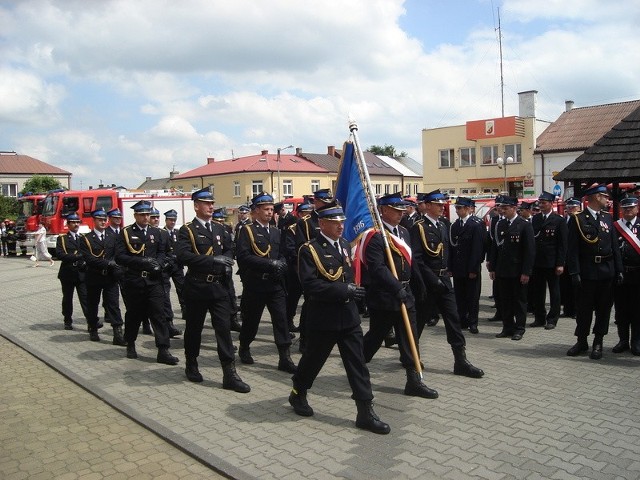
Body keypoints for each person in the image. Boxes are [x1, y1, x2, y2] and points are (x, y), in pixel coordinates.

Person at [288, 200, 389, 434]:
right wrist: (345, 291)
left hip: (348, 317)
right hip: (324, 318)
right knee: (313, 360)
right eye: (334, 223)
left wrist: (355, 293)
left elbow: (347, 275)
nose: (340, 226)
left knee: (358, 365)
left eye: (342, 222)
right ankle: (298, 392)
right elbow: (311, 286)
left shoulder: (344, 245)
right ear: (321, 223)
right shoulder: (309, 250)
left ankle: (365, 411)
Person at [361, 192, 438, 399]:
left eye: (402, 210)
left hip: (406, 294)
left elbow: (409, 263)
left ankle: (414, 381)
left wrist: (418, 283)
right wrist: (396, 288)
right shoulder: (375, 236)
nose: (400, 214)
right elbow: (377, 268)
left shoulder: (403, 232)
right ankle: (357, 368)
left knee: (410, 337)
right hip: (385, 297)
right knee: (375, 337)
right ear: (384, 211)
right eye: (396, 211)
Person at [175, 188, 250, 392]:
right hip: (197, 286)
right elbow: (182, 256)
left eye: (212, 203)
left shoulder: (219, 229)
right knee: (194, 329)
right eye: (206, 203)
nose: (211, 206)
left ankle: (229, 373)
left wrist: (225, 259)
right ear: (196, 206)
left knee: (224, 330)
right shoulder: (187, 230)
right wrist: (212, 259)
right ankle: (191, 363)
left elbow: (229, 248)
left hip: (218, 287)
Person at [409, 191, 484, 378]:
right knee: (418, 323)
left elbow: (446, 252)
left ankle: (460, 360)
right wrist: (432, 280)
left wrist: (447, 272)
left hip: (444, 280)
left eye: (443, 204)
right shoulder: (418, 227)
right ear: (426, 205)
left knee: (453, 320)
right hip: (428, 283)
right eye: (437, 204)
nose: (442, 207)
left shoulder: (443, 225)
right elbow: (417, 259)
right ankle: (410, 357)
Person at [235, 192, 296, 373]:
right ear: (256, 211)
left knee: (281, 320)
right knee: (251, 321)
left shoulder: (277, 232)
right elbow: (244, 257)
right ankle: (244, 346)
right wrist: (270, 264)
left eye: (271, 209)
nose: (270, 213)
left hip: (275, 285)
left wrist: (282, 264)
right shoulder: (247, 231)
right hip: (256, 285)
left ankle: (285, 357)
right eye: (266, 209)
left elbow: (283, 253)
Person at [115, 200, 178, 365]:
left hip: (154, 281)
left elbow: (164, 252)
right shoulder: (126, 233)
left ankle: (163, 350)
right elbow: (120, 257)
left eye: (147, 214)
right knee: (134, 314)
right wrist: (143, 263)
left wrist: (159, 264)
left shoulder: (159, 233)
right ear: (135, 215)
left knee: (159, 315)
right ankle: (131, 343)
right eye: (142, 214)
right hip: (134, 280)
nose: (145, 217)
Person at [566, 184, 623, 359]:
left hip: (606, 271)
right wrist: (574, 272)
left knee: (604, 309)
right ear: (596, 197)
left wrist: (619, 270)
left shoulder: (607, 218)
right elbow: (573, 249)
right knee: (584, 309)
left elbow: (614, 247)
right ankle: (582, 340)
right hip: (587, 272)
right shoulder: (578, 219)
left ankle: (598, 341)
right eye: (605, 196)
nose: (607, 199)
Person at [488, 196, 535, 341]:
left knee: (519, 301)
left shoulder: (524, 225)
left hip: (517, 270)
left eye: (506, 208)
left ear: (514, 208)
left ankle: (519, 328)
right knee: (505, 300)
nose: (503, 211)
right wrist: (493, 268)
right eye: (501, 208)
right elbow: (495, 247)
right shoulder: (500, 224)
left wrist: (526, 272)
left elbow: (529, 251)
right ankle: (507, 327)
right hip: (503, 270)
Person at [79, 208, 126, 345]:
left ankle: (118, 334)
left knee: (113, 305)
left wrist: (116, 266)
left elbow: (117, 255)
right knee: (93, 304)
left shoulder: (113, 237)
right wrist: (108, 263)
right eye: (100, 219)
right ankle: (93, 328)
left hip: (110, 277)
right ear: (94, 221)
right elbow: (89, 258)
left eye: (104, 219)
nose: (103, 222)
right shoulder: (86, 239)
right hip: (94, 276)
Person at [529, 191, 568, 330]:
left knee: (554, 292)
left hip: (552, 262)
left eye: (544, 203)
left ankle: (552, 319)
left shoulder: (559, 220)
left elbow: (563, 245)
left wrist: (560, 263)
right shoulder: (535, 219)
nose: (541, 205)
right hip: (537, 262)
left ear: (551, 204)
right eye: (540, 203)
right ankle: (539, 317)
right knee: (538, 292)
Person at [450, 197, 485, 335]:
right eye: (456, 208)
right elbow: (452, 248)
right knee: (460, 296)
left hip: (471, 268)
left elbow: (478, 249)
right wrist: (450, 267)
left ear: (467, 208)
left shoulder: (476, 224)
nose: (458, 211)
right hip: (458, 268)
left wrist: (473, 269)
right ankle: (462, 320)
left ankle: (473, 322)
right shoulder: (455, 225)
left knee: (472, 297)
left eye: (460, 208)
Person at [148, 208, 182, 338]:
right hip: (149, 272)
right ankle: (147, 324)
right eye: (153, 217)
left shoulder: (162, 233)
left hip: (162, 270)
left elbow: (167, 251)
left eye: (157, 217)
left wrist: (166, 260)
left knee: (165, 298)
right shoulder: (143, 234)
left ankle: (169, 324)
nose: (155, 220)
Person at [612, 197, 640, 355]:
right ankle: (623, 340)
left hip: (637, 274)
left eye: (631, 208)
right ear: (621, 210)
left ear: (637, 208)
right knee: (621, 310)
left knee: (637, 310)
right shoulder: (615, 226)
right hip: (620, 275)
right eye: (625, 208)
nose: (628, 211)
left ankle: (636, 341)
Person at [55, 212, 90, 330]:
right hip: (67, 273)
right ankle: (67, 320)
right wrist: (76, 257)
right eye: (73, 222)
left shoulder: (83, 238)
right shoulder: (62, 239)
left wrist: (81, 258)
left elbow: (87, 254)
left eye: (77, 222)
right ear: (68, 224)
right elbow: (60, 255)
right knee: (67, 298)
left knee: (85, 298)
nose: (76, 224)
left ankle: (91, 321)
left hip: (81, 272)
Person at [212, 207, 242, 332]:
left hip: (226, 269)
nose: (220, 223)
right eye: (218, 221)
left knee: (231, 293)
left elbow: (229, 248)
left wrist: (228, 262)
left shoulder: (226, 229)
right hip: (214, 270)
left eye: (222, 220)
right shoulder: (212, 231)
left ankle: (233, 318)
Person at [560, 198, 582, 318]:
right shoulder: (564, 220)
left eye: (573, 207)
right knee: (565, 286)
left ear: (579, 208)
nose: (570, 210)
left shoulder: (581, 220)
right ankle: (567, 309)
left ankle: (576, 310)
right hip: (565, 258)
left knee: (576, 287)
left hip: (576, 259)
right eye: (568, 207)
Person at [163, 209, 186, 319]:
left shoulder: (178, 233)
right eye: (170, 220)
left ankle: (185, 309)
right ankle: (167, 314)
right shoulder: (161, 233)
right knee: (165, 290)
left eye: (174, 220)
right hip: (166, 266)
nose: (172, 222)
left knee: (182, 288)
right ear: (166, 220)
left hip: (177, 266)